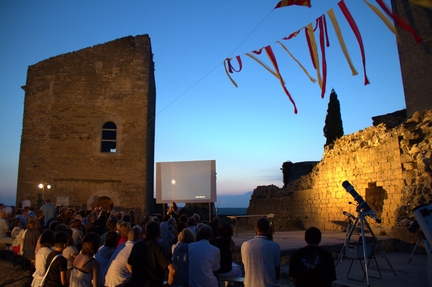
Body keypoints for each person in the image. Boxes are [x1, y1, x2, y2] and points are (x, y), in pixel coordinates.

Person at [126, 221, 176, 287]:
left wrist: (137, 276)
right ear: (159, 233)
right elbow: (173, 270)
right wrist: (168, 285)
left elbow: (128, 265)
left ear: (146, 232)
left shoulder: (137, 245)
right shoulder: (157, 248)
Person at [241, 217, 281, 287]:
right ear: (268, 229)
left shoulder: (245, 245)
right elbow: (277, 270)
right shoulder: (274, 246)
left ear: (256, 228)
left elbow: (245, 264)